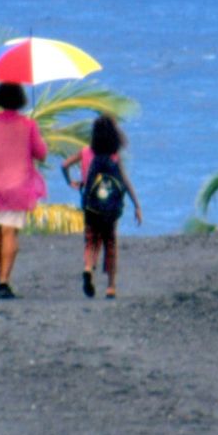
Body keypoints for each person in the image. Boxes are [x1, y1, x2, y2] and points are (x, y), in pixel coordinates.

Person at [0, 81, 47, 299]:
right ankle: (3, 281)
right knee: (10, 231)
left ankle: (0, 276)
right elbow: (40, 153)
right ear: (21, 100)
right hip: (19, 185)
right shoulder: (28, 125)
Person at [61, 114, 142, 298]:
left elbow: (64, 165)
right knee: (110, 243)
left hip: (92, 206)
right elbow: (125, 182)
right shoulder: (115, 158)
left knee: (91, 240)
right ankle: (111, 286)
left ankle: (89, 268)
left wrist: (71, 182)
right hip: (110, 208)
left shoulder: (87, 153)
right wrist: (136, 205)